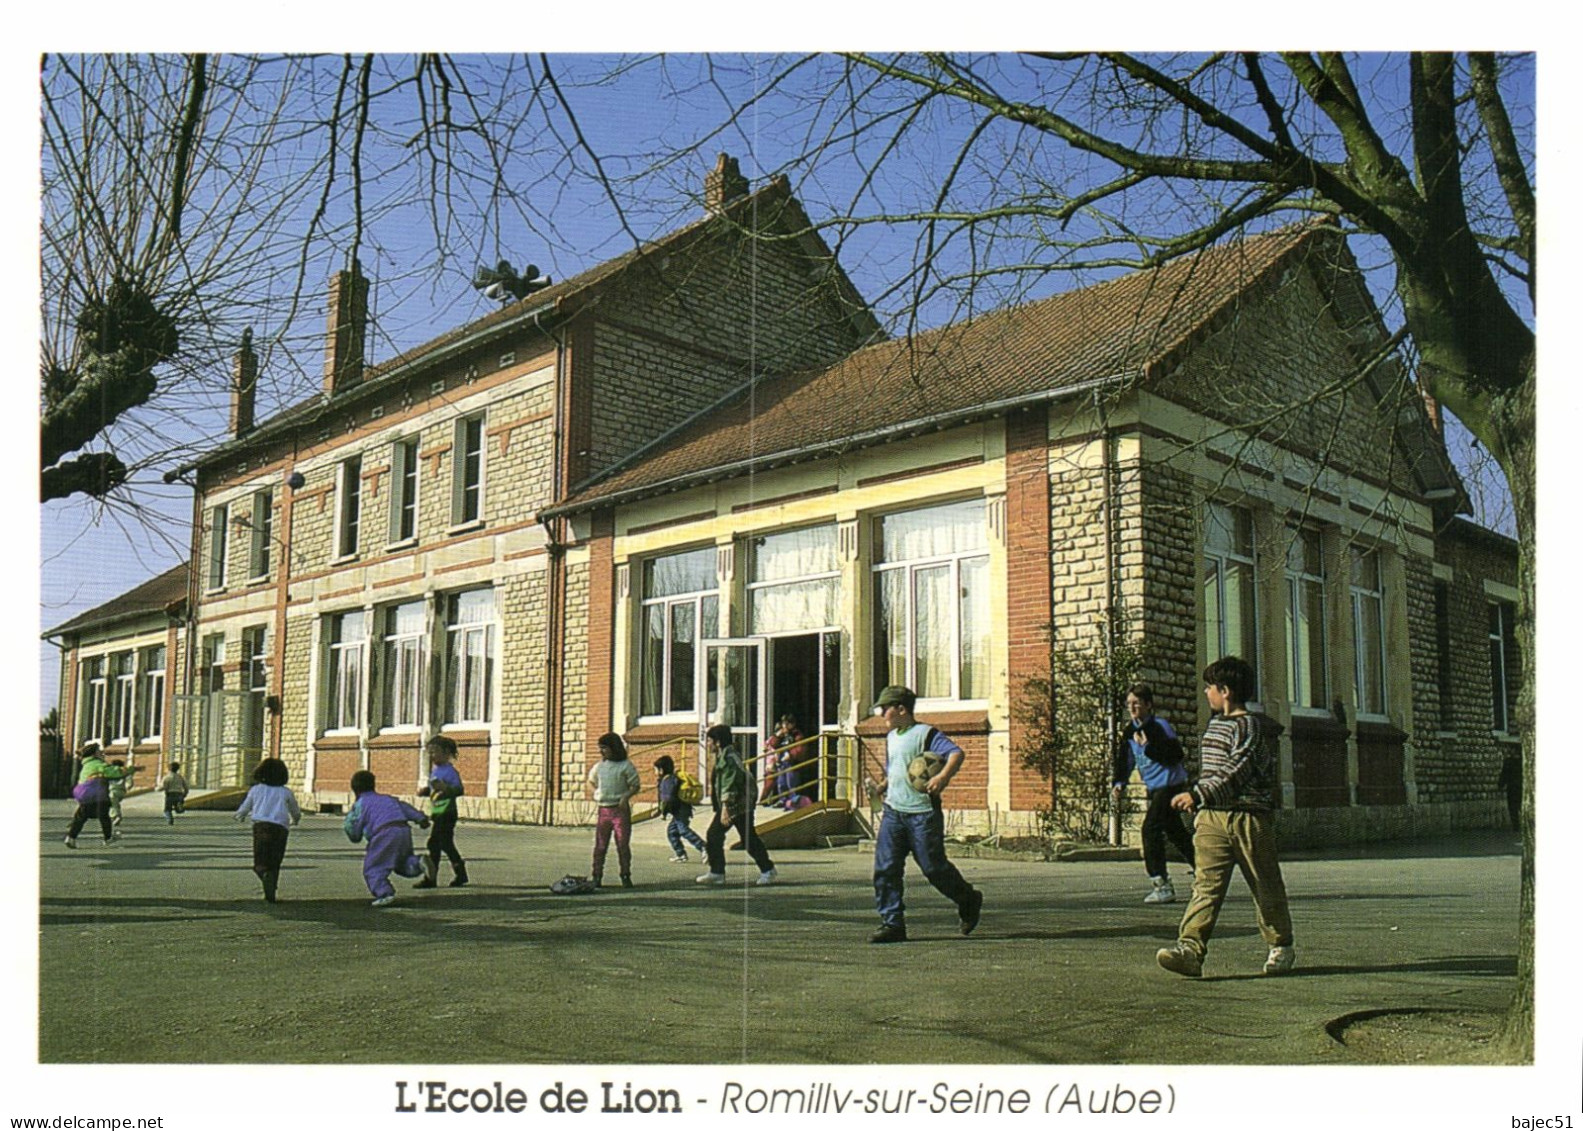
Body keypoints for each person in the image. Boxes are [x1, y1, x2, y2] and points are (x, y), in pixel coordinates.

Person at [1157, 656, 1295, 978]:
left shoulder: (1249, 727)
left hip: (1249, 819)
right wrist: (1199, 796)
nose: (1206, 693)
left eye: (1210, 687)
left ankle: (1281, 945)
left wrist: (1198, 794)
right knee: (1206, 887)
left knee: (1265, 885)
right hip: (1212, 819)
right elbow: (1213, 772)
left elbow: (1238, 770)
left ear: (1226, 691)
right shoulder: (1215, 725)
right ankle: (1190, 950)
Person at [866, 685, 982, 943]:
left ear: (901, 709)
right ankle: (892, 923)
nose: (881, 713)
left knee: (933, 867)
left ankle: (968, 899)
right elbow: (896, 769)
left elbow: (956, 753)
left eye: (885, 709)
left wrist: (942, 777)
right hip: (894, 813)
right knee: (885, 869)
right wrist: (880, 788)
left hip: (922, 815)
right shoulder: (892, 736)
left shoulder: (925, 733)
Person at [1111, 683, 1195, 903]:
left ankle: (1161, 884)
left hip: (1171, 785)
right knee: (1175, 831)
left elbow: (1175, 755)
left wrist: (1149, 747)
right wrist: (1120, 782)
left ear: (1148, 705)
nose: (1132, 708)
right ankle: (1205, 870)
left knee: (1150, 829)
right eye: (1129, 704)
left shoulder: (1160, 726)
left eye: (1137, 703)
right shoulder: (1130, 731)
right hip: (1155, 787)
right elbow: (1125, 760)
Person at [697, 724, 777, 886]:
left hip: (739, 805)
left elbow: (730, 782)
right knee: (717, 836)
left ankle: (767, 870)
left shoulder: (728, 758)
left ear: (718, 742)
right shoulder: (725, 755)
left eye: (710, 740)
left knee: (745, 838)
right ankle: (717, 872)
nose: (708, 744)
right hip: (735, 804)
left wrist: (725, 808)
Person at [343, 770, 430, 908]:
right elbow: (405, 807)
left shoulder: (360, 803)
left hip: (383, 832)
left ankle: (385, 893)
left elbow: (352, 825)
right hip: (402, 828)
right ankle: (418, 863)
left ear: (355, 790)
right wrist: (420, 818)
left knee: (373, 867)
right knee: (401, 862)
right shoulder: (387, 798)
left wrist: (355, 836)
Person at [234, 758, 301, 902]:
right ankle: (271, 890)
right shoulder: (285, 792)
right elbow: (294, 809)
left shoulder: (256, 789)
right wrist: (295, 819)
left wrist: (240, 815)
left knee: (261, 857)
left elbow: (246, 806)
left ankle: (263, 873)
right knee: (275, 859)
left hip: (260, 826)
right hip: (280, 828)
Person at [587, 733, 641, 889]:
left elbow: (635, 785)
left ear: (614, 748)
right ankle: (597, 875)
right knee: (600, 845)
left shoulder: (625, 765)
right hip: (604, 810)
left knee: (622, 844)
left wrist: (625, 797)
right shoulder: (599, 766)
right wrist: (595, 791)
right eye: (600, 749)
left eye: (605, 748)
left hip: (620, 811)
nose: (602, 752)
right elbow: (590, 781)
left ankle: (625, 874)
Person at [415, 735, 469, 888]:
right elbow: (435, 790)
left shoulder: (450, 771)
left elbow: (459, 790)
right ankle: (459, 873)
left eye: (435, 752)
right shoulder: (436, 770)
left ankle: (432, 878)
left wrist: (446, 789)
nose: (431, 756)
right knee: (441, 844)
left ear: (446, 753)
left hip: (447, 813)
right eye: (429, 753)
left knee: (437, 843)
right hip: (438, 812)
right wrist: (426, 791)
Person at [653, 753, 707, 862]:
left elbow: (667, 799)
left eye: (655, 769)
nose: (654, 772)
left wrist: (661, 812)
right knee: (672, 832)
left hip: (680, 810)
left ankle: (703, 847)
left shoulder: (667, 781)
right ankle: (681, 854)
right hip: (681, 810)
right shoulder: (671, 779)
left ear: (661, 770)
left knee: (683, 830)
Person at [64, 741, 115, 848]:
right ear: (94, 754)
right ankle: (108, 838)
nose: (101, 753)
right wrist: (129, 770)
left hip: (85, 796)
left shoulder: (86, 764)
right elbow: (113, 772)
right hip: (98, 796)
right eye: (99, 751)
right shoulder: (98, 764)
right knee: (104, 818)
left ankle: (71, 837)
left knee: (80, 817)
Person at [769, 714, 807, 809]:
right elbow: (772, 744)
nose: (784, 726)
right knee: (781, 783)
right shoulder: (782, 735)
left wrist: (791, 755)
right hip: (781, 763)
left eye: (787, 724)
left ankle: (794, 801)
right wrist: (777, 736)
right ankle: (783, 800)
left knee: (792, 783)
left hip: (792, 763)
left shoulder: (796, 735)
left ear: (792, 724)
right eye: (783, 724)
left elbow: (800, 748)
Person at [105, 759, 137, 832]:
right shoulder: (125, 772)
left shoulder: (110, 773)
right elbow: (129, 781)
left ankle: (117, 816)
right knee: (114, 804)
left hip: (112, 791)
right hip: (121, 792)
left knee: (113, 803)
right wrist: (128, 786)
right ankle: (114, 817)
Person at [1497, 752, 1522, 833]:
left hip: (1512, 788)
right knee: (1520, 806)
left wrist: (1500, 785)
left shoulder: (1508, 762)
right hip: (1521, 787)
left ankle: (1516, 826)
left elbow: (1504, 774)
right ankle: (1524, 824)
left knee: (1513, 807)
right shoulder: (1523, 761)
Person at [159, 761, 190, 825]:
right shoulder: (180, 777)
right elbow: (186, 786)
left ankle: (170, 819)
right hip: (179, 794)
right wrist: (185, 794)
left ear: (169, 769)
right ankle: (179, 807)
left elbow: (163, 787)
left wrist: (157, 789)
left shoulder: (167, 777)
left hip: (170, 794)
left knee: (167, 810)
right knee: (178, 810)